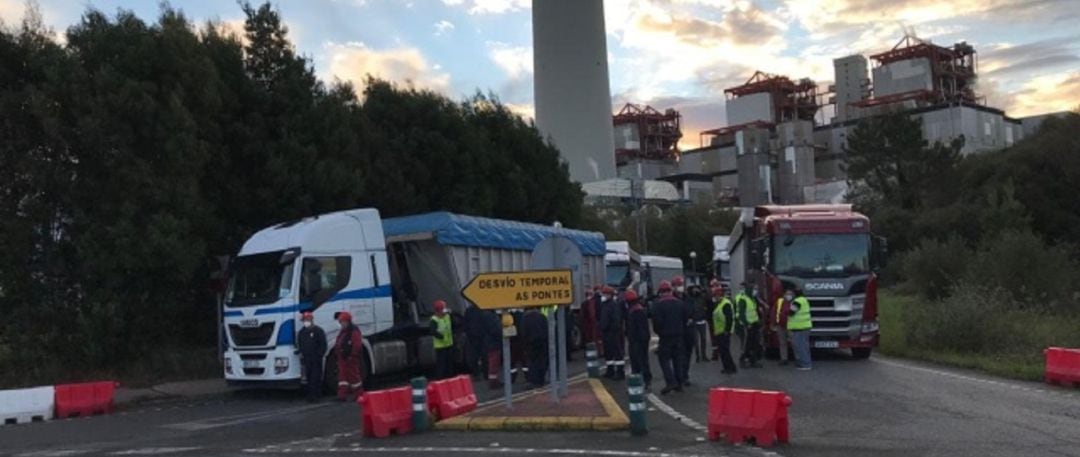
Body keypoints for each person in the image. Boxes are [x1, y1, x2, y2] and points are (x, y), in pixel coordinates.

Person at [651, 280, 688, 394]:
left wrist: (659, 332)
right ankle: (680, 383)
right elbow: (685, 318)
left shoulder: (657, 304)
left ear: (661, 292)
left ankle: (670, 382)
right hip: (678, 335)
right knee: (678, 359)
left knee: (664, 359)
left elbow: (656, 322)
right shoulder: (679, 303)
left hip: (665, 336)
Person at [625, 290, 652, 391]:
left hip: (637, 340)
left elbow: (635, 328)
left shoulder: (635, 311)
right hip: (640, 340)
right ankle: (643, 381)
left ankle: (642, 382)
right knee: (641, 361)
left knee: (638, 362)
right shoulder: (639, 309)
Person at [297, 312, 327, 402]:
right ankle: (311, 395)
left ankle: (316, 395)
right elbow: (300, 344)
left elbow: (323, 344)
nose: (306, 322)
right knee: (309, 377)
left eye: (308, 320)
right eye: (305, 320)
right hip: (307, 358)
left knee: (316, 377)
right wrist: (302, 354)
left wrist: (319, 355)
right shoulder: (302, 332)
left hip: (316, 358)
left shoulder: (318, 331)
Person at [334, 311, 364, 401]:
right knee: (342, 377)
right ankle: (342, 395)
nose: (341, 324)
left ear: (347, 321)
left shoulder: (353, 331)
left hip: (350, 357)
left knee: (354, 376)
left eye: (342, 321)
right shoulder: (344, 331)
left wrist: (352, 355)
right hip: (343, 357)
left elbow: (357, 344)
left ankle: (359, 394)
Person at [598, 286, 626, 380]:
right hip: (606, 332)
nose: (603, 295)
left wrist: (612, 329)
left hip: (613, 333)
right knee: (608, 353)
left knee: (617, 352)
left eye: (604, 293)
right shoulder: (604, 305)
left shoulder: (614, 305)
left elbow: (616, 320)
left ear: (610, 295)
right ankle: (610, 370)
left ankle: (620, 372)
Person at [671, 277, 695, 386]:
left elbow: (694, 311)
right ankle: (679, 377)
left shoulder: (688, 299)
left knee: (687, 355)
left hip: (689, 332)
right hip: (678, 332)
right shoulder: (672, 300)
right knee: (679, 356)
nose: (679, 287)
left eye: (680, 284)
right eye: (677, 285)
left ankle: (684, 375)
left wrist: (691, 318)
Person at [736, 283, 763, 368]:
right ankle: (743, 360)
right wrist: (747, 324)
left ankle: (753, 360)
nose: (756, 291)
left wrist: (758, 321)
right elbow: (741, 314)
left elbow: (754, 312)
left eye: (757, 289)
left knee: (755, 344)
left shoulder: (752, 299)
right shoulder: (743, 299)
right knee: (747, 344)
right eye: (755, 289)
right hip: (748, 325)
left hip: (755, 324)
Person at [520, 307, 549, 388]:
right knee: (542, 361)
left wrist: (524, 343)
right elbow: (546, 329)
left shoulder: (525, 318)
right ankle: (541, 380)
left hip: (530, 343)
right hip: (541, 341)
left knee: (532, 362)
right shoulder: (541, 316)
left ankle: (534, 381)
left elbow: (523, 331)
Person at [712, 287, 737, 374]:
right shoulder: (719, 304)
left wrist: (727, 330)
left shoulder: (725, 304)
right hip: (719, 331)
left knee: (725, 351)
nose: (714, 297)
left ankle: (730, 367)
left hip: (724, 332)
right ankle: (728, 367)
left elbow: (729, 318)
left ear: (719, 295)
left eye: (715, 295)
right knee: (723, 351)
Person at [788, 288, 814, 370]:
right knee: (805, 346)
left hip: (799, 328)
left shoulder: (797, 302)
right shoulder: (804, 300)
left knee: (800, 347)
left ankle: (805, 364)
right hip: (806, 326)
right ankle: (805, 362)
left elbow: (791, 312)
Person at [430, 299, 454, 379]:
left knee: (449, 364)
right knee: (441, 365)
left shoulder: (447, 316)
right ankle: (440, 380)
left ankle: (450, 379)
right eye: (443, 309)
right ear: (438, 310)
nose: (445, 311)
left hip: (449, 344)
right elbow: (433, 332)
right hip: (440, 346)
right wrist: (442, 337)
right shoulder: (434, 320)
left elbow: (453, 324)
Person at [483, 310, 504, 389]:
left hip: (490, 342)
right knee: (494, 362)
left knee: (494, 362)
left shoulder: (487, 314)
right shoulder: (491, 316)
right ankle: (493, 382)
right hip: (493, 342)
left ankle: (494, 380)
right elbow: (495, 329)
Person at [773, 289, 794, 366]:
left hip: (791, 326)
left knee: (794, 343)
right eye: (787, 294)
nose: (789, 296)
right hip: (780, 326)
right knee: (782, 343)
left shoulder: (795, 302)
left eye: (790, 294)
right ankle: (784, 359)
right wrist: (773, 323)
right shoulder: (779, 302)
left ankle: (798, 358)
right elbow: (774, 312)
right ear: (784, 294)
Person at [691, 286, 710, 363]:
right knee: (696, 340)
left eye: (696, 290)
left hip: (702, 321)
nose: (695, 291)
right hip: (695, 322)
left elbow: (708, 302)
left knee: (703, 339)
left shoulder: (703, 298)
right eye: (693, 290)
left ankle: (704, 355)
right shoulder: (691, 299)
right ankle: (698, 356)